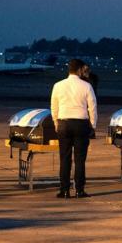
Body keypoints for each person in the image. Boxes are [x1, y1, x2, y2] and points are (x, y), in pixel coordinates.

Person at [50, 58, 97, 198]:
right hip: (81, 124)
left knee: (64, 158)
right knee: (80, 159)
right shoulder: (86, 86)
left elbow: (54, 107)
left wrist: (56, 123)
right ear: (79, 70)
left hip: (64, 123)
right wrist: (92, 125)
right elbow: (93, 107)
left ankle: (64, 190)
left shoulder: (58, 85)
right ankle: (79, 190)